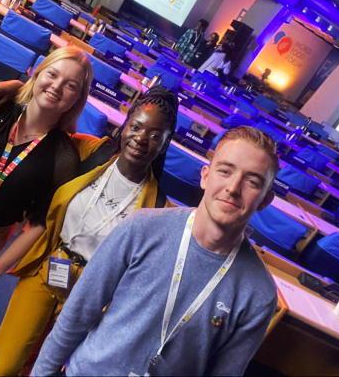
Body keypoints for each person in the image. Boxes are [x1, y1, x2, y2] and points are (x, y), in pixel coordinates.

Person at [32, 126, 280, 376]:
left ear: (265, 200)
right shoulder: (141, 228)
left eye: (252, 181)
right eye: (225, 171)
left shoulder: (258, 293)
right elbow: (77, 314)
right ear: (205, 176)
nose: (233, 187)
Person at [0, 86, 179, 376]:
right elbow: (43, 120)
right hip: (48, 269)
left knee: (43, 370)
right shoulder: (91, 152)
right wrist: (14, 86)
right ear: (125, 126)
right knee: (3, 366)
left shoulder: (159, 208)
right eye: (136, 127)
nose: (141, 138)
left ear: (165, 142)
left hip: (92, 294)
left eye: (155, 135)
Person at [0, 47, 93, 303]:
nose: (57, 87)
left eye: (71, 85)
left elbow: (40, 223)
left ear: (78, 99)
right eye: (52, 74)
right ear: (37, 74)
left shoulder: (64, 157)